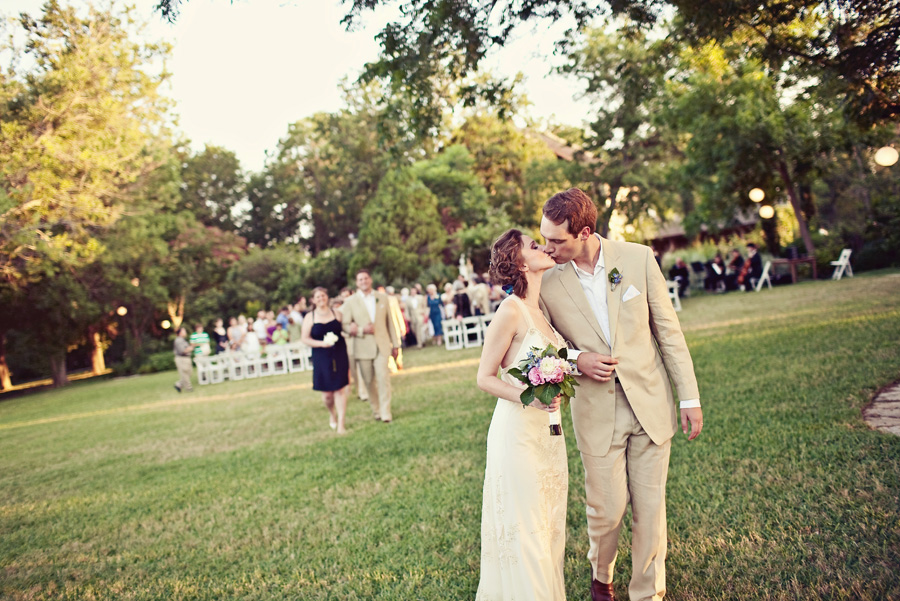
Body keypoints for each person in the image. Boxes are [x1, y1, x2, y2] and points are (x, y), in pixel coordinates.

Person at [538, 188, 703, 601]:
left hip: (650, 405)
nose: (547, 247)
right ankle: (602, 574)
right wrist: (577, 360)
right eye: (544, 237)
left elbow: (667, 331)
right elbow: (541, 344)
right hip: (597, 414)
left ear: (586, 231)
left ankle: (648, 594)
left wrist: (689, 398)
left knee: (650, 513)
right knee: (607, 512)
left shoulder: (638, 258)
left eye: (556, 240)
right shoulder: (547, 281)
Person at [475, 229, 568, 600]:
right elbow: (484, 378)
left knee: (548, 528)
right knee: (526, 530)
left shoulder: (540, 311)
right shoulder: (510, 310)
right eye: (534, 245)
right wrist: (528, 398)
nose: (544, 247)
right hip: (517, 437)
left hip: (549, 435)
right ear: (520, 263)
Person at [341, 270, 400, 423]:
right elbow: (345, 326)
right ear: (356, 283)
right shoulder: (350, 302)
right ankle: (377, 409)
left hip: (382, 345)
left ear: (370, 280)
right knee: (368, 381)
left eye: (366, 278)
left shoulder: (382, 298)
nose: (363, 281)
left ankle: (386, 412)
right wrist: (361, 330)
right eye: (360, 279)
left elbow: (390, 323)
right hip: (362, 347)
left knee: (383, 378)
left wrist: (396, 344)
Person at [301, 287, 350, 434]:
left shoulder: (338, 313)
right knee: (327, 394)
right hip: (321, 356)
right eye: (317, 297)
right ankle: (332, 414)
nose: (321, 298)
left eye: (323, 295)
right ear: (313, 300)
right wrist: (322, 344)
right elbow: (305, 338)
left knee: (340, 389)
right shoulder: (310, 317)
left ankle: (341, 424)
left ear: (327, 297)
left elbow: (346, 330)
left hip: (339, 353)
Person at [173, 327, 194, 392]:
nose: (185, 332)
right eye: (184, 331)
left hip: (186, 358)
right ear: (180, 333)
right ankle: (189, 388)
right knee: (185, 373)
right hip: (181, 358)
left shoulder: (183, 340)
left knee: (189, 373)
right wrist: (191, 348)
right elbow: (183, 350)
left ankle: (179, 384)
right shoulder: (178, 340)